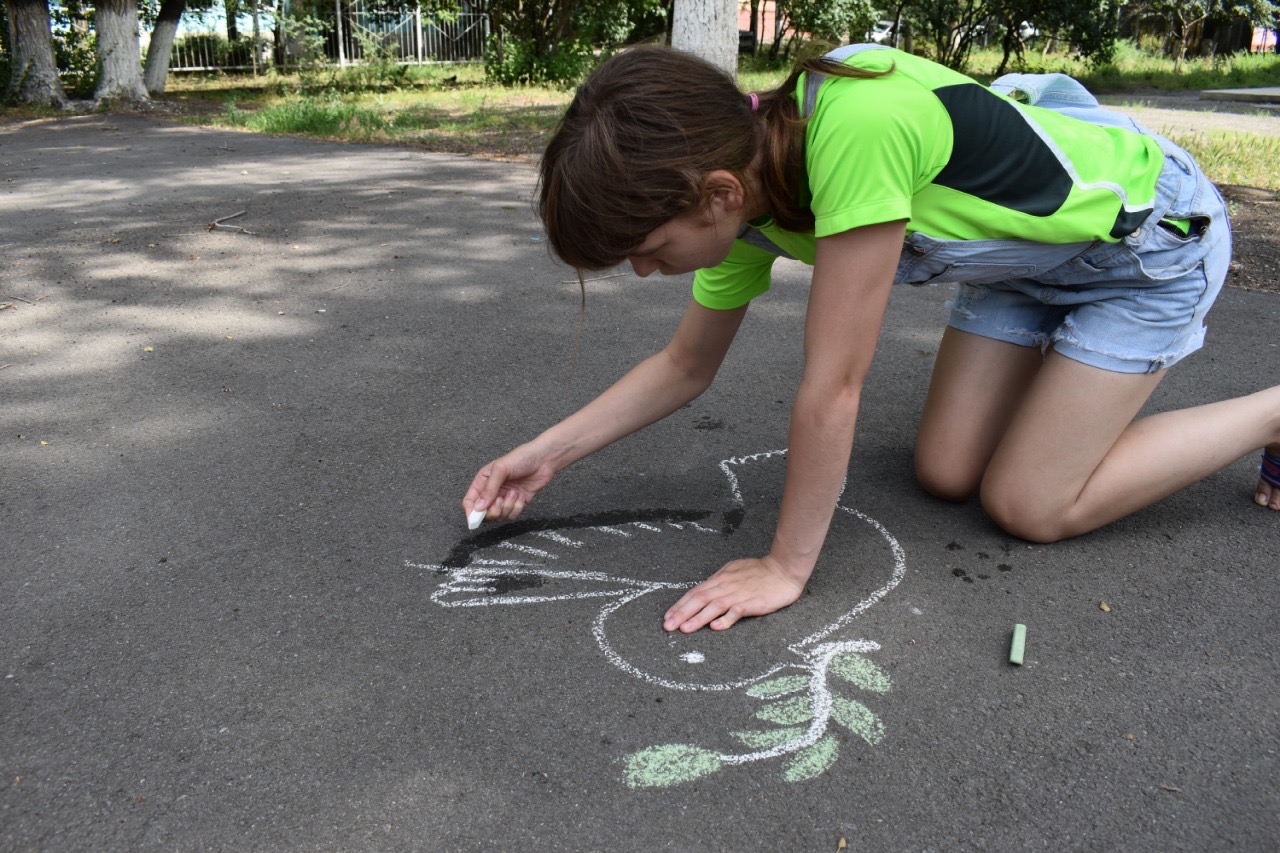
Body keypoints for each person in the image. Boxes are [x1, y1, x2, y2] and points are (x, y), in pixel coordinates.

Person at [463, 44, 1280, 634]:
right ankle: (1069, 388)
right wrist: (550, 451)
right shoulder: (747, 200)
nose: (644, 271)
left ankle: (1269, 414)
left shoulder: (854, 128)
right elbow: (683, 364)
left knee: (1029, 503)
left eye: (648, 249)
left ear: (713, 192)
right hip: (1022, 272)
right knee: (946, 471)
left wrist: (786, 566)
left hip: (1148, 248)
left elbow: (835, 384)